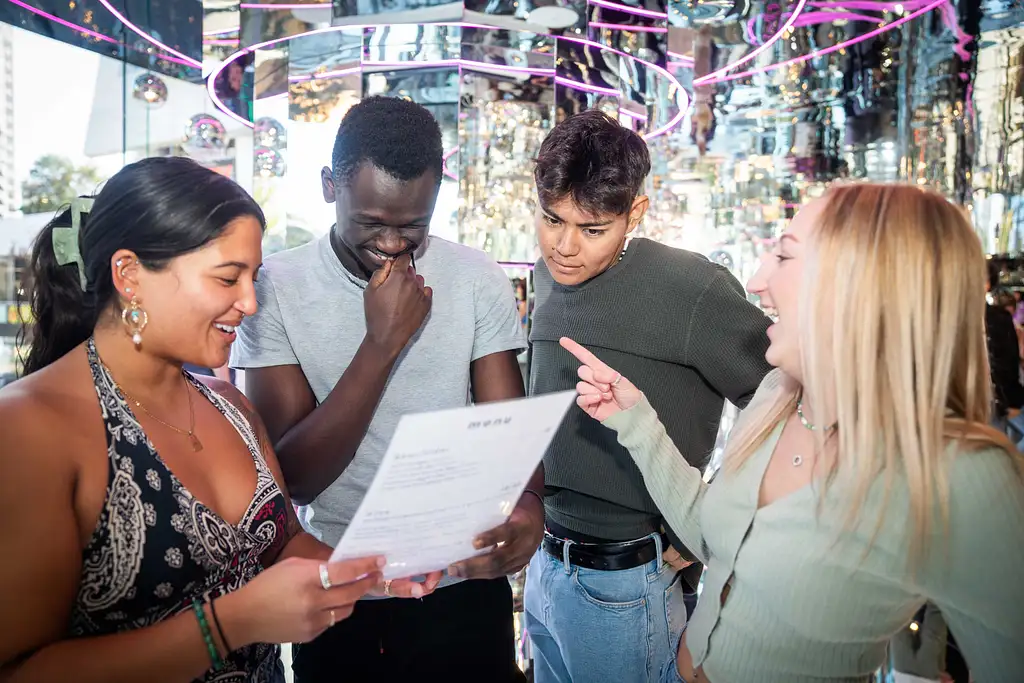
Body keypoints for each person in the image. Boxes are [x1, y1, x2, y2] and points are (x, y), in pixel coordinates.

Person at [562, 183, 1024, 682]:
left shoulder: (961, 474)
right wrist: (636, 422)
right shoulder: (778, 398)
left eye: (783, 256)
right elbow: (722, 547)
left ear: (862, 285)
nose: (758, 281)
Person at [0, 157, 427, 683]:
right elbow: (19, 669)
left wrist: (370, 571)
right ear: (129, 275)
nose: (249, 303)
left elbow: (282, 543)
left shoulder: (230, 404)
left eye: (253, 277)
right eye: (229, 278)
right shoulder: (30, 428)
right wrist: (228, 624)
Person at [230, 96, 542, 682]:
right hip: (338, 585)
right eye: (373, 224)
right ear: (330, 186)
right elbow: (293, 476)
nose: (395, 244)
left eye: (413, 226)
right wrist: (382, 344)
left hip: (460, 583)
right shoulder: (275, 288)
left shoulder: (476, 278)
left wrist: (528, 509)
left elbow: (511, 441)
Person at [524, 109, 772, 683]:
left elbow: (791, 406)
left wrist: (715, 519)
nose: (564, 246)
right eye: (551, 220)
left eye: (592, 230)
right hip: (544, 563)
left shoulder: (692, 288)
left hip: (628, 576)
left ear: (634, 212)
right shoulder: (546, 275)